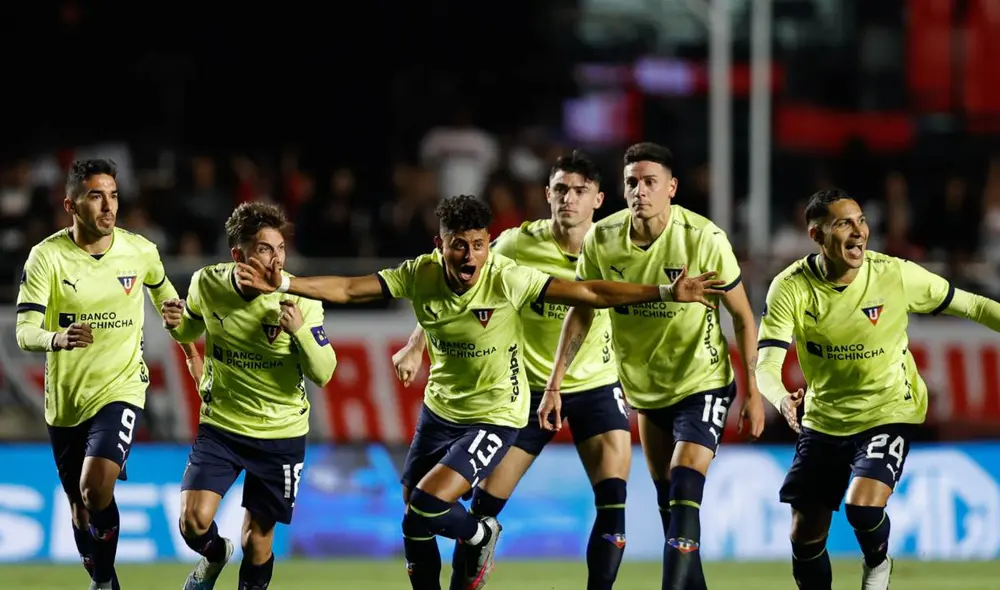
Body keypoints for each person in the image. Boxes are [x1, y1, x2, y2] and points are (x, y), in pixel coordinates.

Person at [235, 193, 725, 590]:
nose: (469, 256)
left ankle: (482, 531)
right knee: (413, 522)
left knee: (428, 504)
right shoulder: (420, 274)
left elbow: (591, 293)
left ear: (489, 244)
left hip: (497, 412)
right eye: (457, 245)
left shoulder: (506, 277)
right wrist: (287, 283)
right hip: (440, 411)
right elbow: (348, 289)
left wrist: (664, 291)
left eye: (478, 244)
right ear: (440, 244)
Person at [392, 152, 631, 590]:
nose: (569, 200)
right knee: (483, 510)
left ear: (598, 199)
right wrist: (415, 343)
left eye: (579, 191)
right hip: (529, 392)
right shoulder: (515, 244)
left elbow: (624, 301)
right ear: (547, 195)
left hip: (597, 385)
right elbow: (456, 290)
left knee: (614, 504)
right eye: (560, 190)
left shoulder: (616, 248)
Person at [544, 142, 766, 590]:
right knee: (671, 509)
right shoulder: (603, 241)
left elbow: (742, 315)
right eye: (631, 183)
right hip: (646, 393)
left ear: (672, 188)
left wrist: (754, 391)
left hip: (702, 382)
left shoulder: (703, 239)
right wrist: (555, 382)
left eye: (650, 182)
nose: (640, 191)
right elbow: (583, 309)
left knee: (685, 488)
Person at [754, 188, 1000, 590]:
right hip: (825, 419)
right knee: (804, 536)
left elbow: (971, 305)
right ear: (816, 236)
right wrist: (781, 398)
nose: (858, 232)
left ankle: (878, 562)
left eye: (861, 221)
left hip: (890, 410)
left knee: (861, 507)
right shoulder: (790, 288)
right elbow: (766, 363)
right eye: (843, 224)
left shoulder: (894, 274)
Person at [14, 159, 201, 590]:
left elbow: (168, 303)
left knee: (95, 487)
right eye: (96, 196)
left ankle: (101, 584)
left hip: (122, 387)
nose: (108, 206)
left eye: (113, 195)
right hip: (66, 402)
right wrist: (57, 338)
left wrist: (188, 344)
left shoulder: (140, 250)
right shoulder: (47, 258)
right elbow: (24, 330)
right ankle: (106, 577)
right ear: (71, 204)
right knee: (82, 508)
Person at [161, 202, 337, 590]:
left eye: (280, 249)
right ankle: (215, 554)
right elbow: (190, 327)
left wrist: (301, 332)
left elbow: (324, 372)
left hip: (280, 435)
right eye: (264, 249)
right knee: (193, 523)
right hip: (222, 425)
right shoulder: (207, 283)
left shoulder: (299, 301)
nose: (276, 260)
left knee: (257, 542)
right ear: (238, 255)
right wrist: (177, 324)